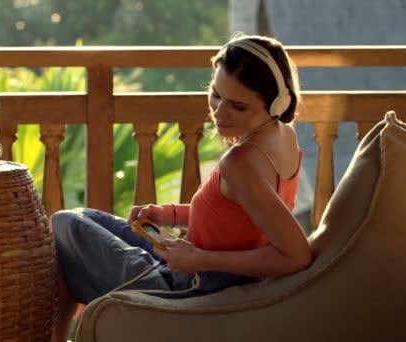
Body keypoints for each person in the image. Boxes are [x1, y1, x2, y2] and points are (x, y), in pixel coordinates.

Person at [50, 33, 313, 342]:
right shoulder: (283, 136)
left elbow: (297, 256)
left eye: (238, 107)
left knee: (64, 224)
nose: (219, 111)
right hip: (195, 265)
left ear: (276, 104)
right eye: (216, 94)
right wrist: (167, 214)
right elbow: (237, 215)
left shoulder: (241, 162)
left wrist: (200, 259)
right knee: (84, 219)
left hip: (191, 286)